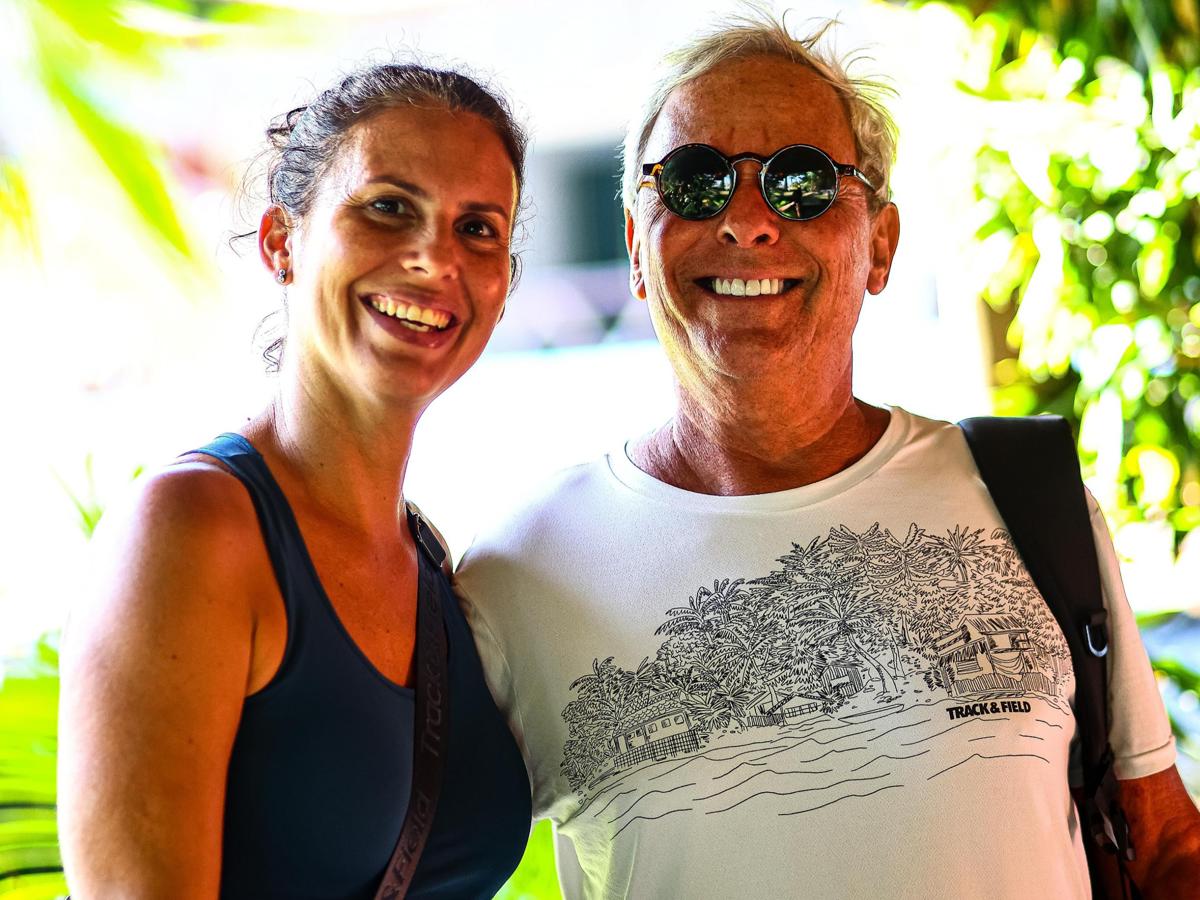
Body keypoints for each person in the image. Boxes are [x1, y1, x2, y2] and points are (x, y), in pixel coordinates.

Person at [455, 12, 1200, 900]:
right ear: (635, 247)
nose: (746, 221)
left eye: (801, 182)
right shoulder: (520, 572)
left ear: (880, 244)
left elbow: (1164, 850)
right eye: (694, 181)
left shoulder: (1031, 502)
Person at [57, 62, 532, 899]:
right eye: (388, 207)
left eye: (477, 229)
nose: (434, 258)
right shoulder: (192, 528)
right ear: (283, 242)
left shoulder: (431, 562)